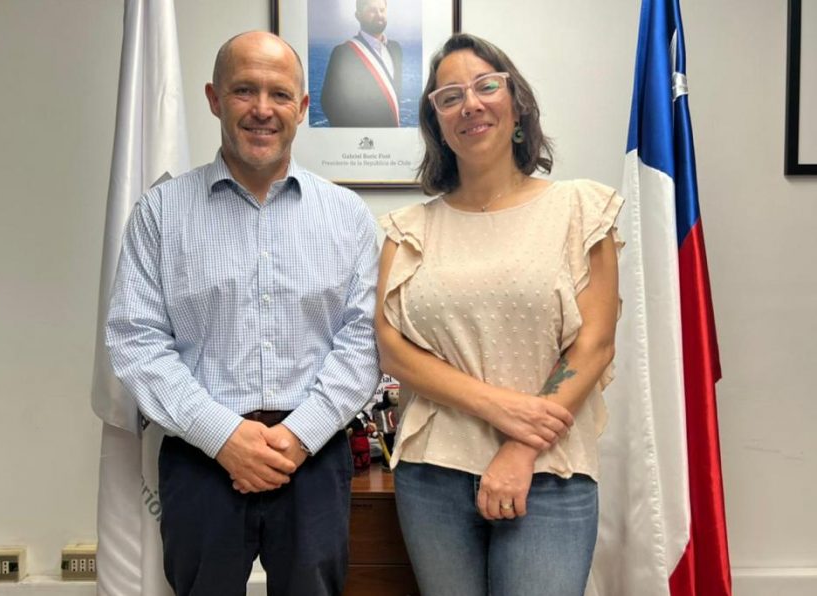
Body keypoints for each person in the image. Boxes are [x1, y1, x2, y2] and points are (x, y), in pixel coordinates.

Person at [105, 31, 380, 596]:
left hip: (313, 457)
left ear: (303, 108)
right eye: (243, 90)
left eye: (280, 94)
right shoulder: (160, 213)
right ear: (213, 98)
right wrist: (224, 436)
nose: (262, 110)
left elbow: (363, 341)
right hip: (201, 456)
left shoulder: (348, 217)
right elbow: (136, 340)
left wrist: (299, 436)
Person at [375, 33, 624, 596]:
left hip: (551, 472)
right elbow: (392, 350)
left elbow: (594, 347)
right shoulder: (407, 230)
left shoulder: (580, 210)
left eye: (487, 86)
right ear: (437, 122)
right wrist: (503, 409)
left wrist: (519, 446)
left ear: (517, 103)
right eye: (449, 97)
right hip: (432, 472)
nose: (471, 104)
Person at [320, 0, 402, 127]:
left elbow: (395, 96)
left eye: (382, 10)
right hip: (361, 140)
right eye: (372, 10)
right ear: (358, 15)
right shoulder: (343, 52)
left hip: (391, 139)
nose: (379, 14)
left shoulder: (396, 49)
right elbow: (328, 102)